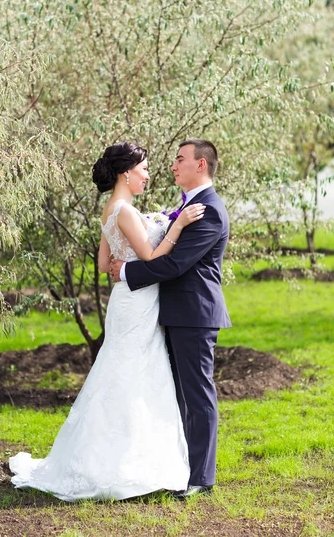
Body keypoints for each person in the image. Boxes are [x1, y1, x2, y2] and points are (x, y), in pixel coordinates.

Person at [9, 141, 205, 502]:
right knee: (133, 373)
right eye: (144, 169)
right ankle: (128, 466)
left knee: (121, 371)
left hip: (125, 301)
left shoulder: (110, 210)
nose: (147, 176)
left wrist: (141, 243)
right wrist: (176, 227)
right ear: (126, 172)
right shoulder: (126, 211)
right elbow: (148, 256)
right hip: (139, 301)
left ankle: (117, 458)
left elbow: (103, 264)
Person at [110, 139, 231, 498]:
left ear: (202, 166)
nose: (173, 166)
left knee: (197, 395)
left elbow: (176, 264)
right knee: (178, 395)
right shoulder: (190, 206)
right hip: (176, 313)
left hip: (195, 314)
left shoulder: (208, 210)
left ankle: (201, 479)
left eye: (181, 160)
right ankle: (180, 468)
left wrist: (127, 273)